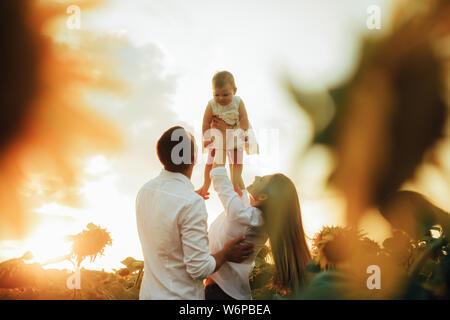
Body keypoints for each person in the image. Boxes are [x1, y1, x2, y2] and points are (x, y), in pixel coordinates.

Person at [136, 126, 254, 300]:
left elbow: (164, 220)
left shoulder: (145, 191)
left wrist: (188, 199)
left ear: (161, 155)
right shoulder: (191, 202)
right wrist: (226, 253)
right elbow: (199, 269)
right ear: (193, 158)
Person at [204, 118, 312, 299]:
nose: (256, 176)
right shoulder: (252, 215)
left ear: (263, 197)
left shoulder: (245, 216)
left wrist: (221, 140)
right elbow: (235, 180)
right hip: (227, 294)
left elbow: (219, 177)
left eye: (262, 179)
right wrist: (231, 138)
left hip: (221, 295)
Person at [196, 71, 258, 199]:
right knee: (211, 161)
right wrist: (206, 137)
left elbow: (244, 118)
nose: (220, 98)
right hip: (217, 136)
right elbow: (205, 122)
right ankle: (205, 186)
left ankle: (235, 184)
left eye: (225, 94)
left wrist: (243, 131)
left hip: (236, 133)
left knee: (237, 160)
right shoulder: (211, 104)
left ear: (234, 90)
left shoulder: (238, 102)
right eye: (216, 94)